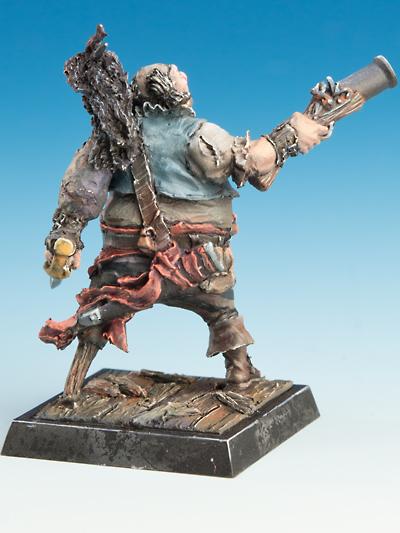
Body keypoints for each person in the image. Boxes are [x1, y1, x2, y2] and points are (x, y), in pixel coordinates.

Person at [40, 63, 329, 399]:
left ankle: (73, 385)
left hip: (123, 250)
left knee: (101, 304)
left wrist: (67, 235)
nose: (180, 69)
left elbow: (83, 188)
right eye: (173, 70)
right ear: (172, 91)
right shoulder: (201, 134)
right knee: (221, 310)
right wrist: (292, 134)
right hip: (196, 253)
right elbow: (248, 162)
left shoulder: (112, 137)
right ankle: (240, 375)